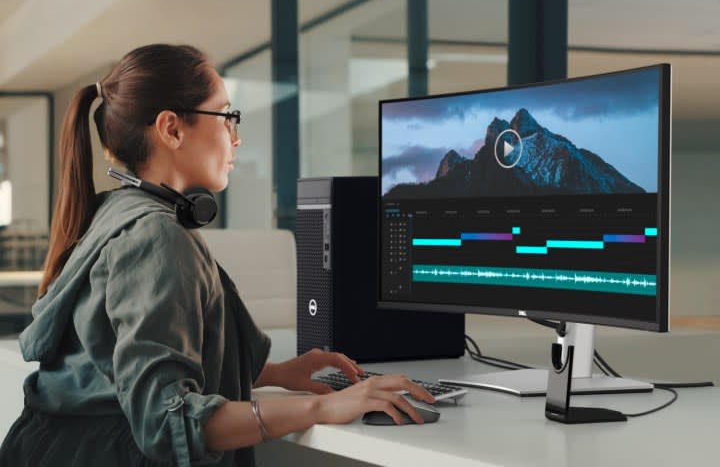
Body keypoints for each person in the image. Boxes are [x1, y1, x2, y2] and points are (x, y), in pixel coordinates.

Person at [0, 44, 435, 467]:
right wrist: (324, 408)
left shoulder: (117, 211)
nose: (237, 138)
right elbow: (166, 420)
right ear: (172, 129)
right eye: (227, 117)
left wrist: (277, 373)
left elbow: (121, 367)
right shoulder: (156, 237)